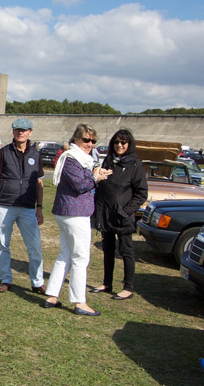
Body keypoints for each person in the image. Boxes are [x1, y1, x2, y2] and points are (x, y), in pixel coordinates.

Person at [43, 124, 111, 316]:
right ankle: (79, 302)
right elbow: (80, 185)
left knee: (65, 253)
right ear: (76, 140)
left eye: (93, 141)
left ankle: (52, 295)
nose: (89, 144)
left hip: (69, 212)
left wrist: (97, 175)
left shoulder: (81, 159)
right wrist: (96, 178)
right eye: (86, 140)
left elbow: (84, 180)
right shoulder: (72, 159)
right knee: (80, 258)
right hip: (75, 212)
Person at [0, 117, 45, 294]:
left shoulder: (36, 155)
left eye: (24, 130)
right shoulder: (3, 153)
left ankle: (37, 282)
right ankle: (5, 279)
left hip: (28, 208)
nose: (21, 132)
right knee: (3, 245)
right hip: (5, 206)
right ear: (13, 131)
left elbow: (39, 183)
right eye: (18, 129)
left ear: (30, 132)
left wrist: (39, 208)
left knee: (34, 246)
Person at [90, 129, 148, 301]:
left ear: (129, 144)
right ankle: (107, 283)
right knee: (108, 250)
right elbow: (102, 186)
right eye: (116, 142)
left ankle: (128, 287)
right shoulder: (109, 161)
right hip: (106, 214)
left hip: (123, 216)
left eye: (123, 142)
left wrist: (126, 211)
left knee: (126, 250)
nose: (119, 145)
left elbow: (141, 193)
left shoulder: (135, 164)